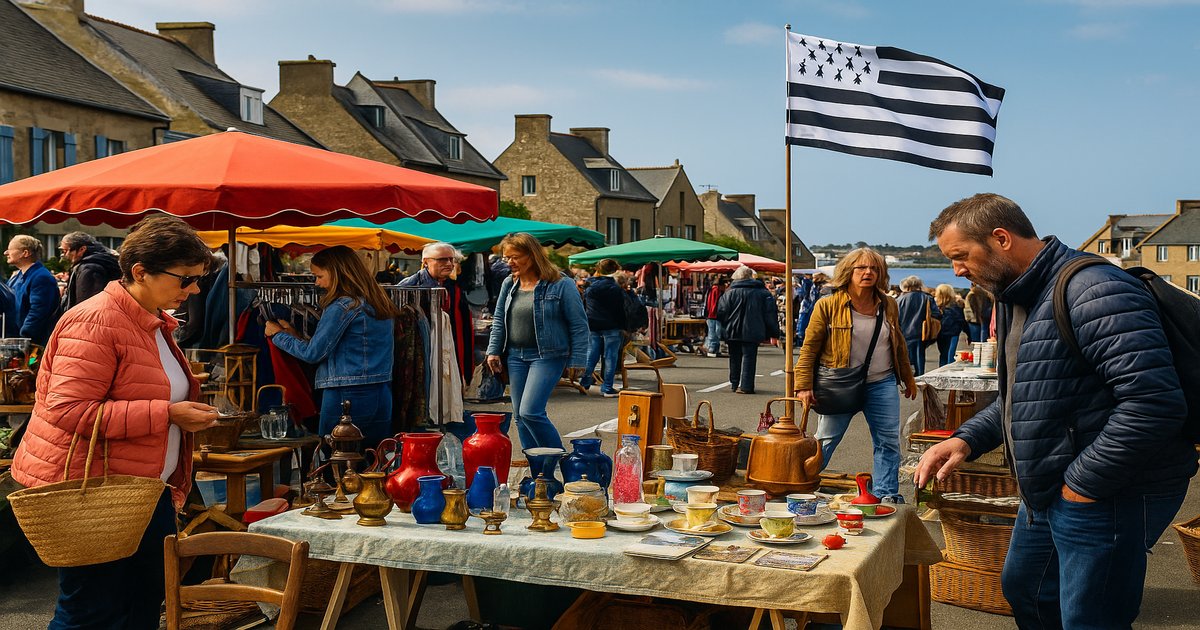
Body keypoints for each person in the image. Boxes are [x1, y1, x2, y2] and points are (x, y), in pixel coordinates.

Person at [916, 193, 1196, 628]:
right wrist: (965, 439)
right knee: (1027, 590)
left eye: (960, 256)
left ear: (1001, 239)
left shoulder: (1095, 289)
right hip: (1051, 487)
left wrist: (1081, 486)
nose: (956, 270)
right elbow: (1026, 396)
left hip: (1109, 491)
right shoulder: (1015, 296)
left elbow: (1153, 404)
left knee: (1091, 618)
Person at [10, 216, 218, 629]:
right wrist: (167, 413)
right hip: (94, 491)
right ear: (140, 272)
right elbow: (69, 410)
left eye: (198, 279)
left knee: (140, 603)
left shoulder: (152, 318)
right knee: (92, 610)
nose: (194, 290)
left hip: (141, 489)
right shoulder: (95, 321)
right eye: (186, 279)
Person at [794, 248, 917, 502]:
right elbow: (809, 348)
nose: (867, 272)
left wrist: (908, 377)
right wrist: (803, 386)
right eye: (861, 268)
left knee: (888, 441)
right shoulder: (827, 305)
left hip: (882, 382)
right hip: (840, 382)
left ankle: (885, 494)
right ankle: (797, 484)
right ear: (848, 272)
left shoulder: (889, 304)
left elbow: (898, 344)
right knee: (825, 440)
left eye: (874, 268)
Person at [267, 246, 397, 446]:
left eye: (319, 276)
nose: (316, 283)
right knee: (373, 456)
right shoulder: (379, 302)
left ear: (337, 273)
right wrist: (294, 336)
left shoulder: (343, 306)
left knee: (334, 456)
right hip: (381, 392)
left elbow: (313, 354)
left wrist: (277, 335)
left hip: (346, 395)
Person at [485, 233, 589, 450]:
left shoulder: (561, 284)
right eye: (506, 258)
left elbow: (579, 324)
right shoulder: (509, 283)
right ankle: (538, 468)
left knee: (530, 411)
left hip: (548, 355)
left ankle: (557, 458)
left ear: (532, 255)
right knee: (519, 417)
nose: (509, 262)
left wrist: (578, 359)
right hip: (515, 356)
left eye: (515, 257)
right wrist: (493, 350)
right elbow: (499, 319)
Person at [398, 242, 475, 384]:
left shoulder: (453, 286)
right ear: (426, 262)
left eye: (451, 259)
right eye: (442, 260)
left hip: (449, 350)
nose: (449, 264)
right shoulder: (409, 286)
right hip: (423, 353)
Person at [716, 266, 780, 394]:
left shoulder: (729, 292)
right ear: (751, 276)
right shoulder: (763, 293)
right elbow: (770, 314)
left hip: (732, 330)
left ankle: (734, 383)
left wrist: (725, 328)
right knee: (749, 357)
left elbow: (721, 312)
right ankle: (746, 385)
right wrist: (774, 332)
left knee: (734, 357)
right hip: (753, 329)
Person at [579, 258, 626, 397]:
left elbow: (585, 305)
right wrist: (624, 325)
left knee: (591, 354)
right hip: (611, 324)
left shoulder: (589, 286)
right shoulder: (615, 288)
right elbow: (620, 309)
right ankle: (607, 387)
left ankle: (584, 382)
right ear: (615, 270)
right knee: (610, 356)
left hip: (592, 323)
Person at [5, 235, 61, 345]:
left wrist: (23, 338)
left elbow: (38, 312)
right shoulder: (18, 276)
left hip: (32, 344)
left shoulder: (41, 277)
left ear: (25, 253)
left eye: (10, 249)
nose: (6, 253)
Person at [57, 231, 122, 314]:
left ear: (82, 249)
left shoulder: (89, 269)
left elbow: (85, 306)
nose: (63, 255)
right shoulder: (100, 262)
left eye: (65, 251)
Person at [894, 275, 939, 376]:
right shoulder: (927, 297)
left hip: (903, 332)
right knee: (920, 358)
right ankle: (920, 377)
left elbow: (895, 317)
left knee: (905, 358)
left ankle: (907, 377)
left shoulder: (899, 299)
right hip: (921, 332)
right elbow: (936, 314)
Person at [933, 284, 966, 367]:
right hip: (954, 333)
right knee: (950, 354)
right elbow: (962, 320)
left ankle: (941, 371)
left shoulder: (936, 305)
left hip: (941, 333)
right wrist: (968, 333)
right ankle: (947, 370)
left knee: (943, 354)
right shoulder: (957, 305)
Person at [702, 277, 729, 357]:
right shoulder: (716, 290)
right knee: (714, 333)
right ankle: (712, 349)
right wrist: (718, 313)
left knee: (714, 332)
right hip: (714, 315)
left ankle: (714, 349)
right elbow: (715, 303)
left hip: (711, 315)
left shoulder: (712, 289)